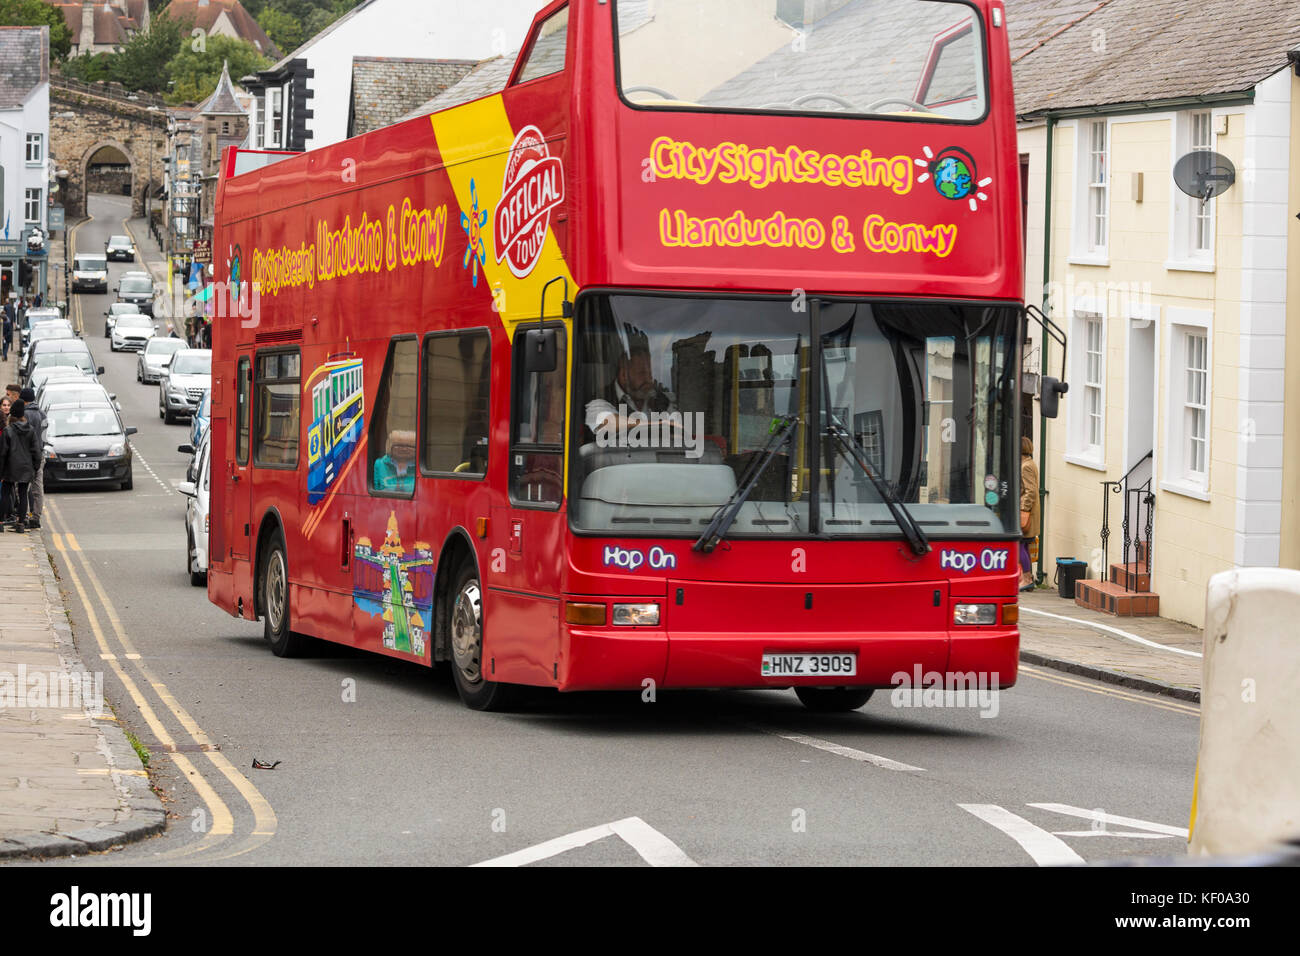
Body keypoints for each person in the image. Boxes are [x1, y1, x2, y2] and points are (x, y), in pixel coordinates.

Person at [0, 399, 40, 533]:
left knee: (5, 493)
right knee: (23, 494)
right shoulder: (31, 430)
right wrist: (35, 467)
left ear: (12, 414)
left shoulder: (8, 430)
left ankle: (0, 523)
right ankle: (21, 524)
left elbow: (2, 453)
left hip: (10, 467)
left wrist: (1, 471)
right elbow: (36, 452)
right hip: (26, 467)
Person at [18, 388, 45, 529]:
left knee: (22, 487)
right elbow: (45, 435)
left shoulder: (24, 414)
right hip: (40, 454)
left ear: (24, 400)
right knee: (38, 487)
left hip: (26, 455)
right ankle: (36, 517)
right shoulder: (42, 414)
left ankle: (24, 516)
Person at [1020, 436, 1041, 591]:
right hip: (1030, 512)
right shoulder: (1030, 463)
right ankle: (1028, 578)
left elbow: (1031, 491)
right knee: (1025, 545)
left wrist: (1023, 509)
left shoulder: (1025, 467)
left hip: (1026, 513)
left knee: (1019, 545)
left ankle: (1026, 579)